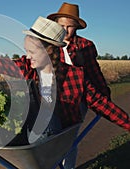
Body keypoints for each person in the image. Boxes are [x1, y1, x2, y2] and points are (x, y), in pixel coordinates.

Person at [0, 16, 130, 167]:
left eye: (31, 51)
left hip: (55, 134)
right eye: (26, 51)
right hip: (32, 137)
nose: (27, 56)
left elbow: (104, 106)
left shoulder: (75, 76)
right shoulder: (28, 69)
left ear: (49, 51)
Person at [47, 3, 111, 168]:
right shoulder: (48, 45)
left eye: (70, 26)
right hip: (52, 100)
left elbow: (94, 72)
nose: (65, 30)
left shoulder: (86, 46)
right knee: (52, 140)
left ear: (76, 27)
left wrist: (105, 94)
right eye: (61, 26)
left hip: (77, 100)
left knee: (70, 139)